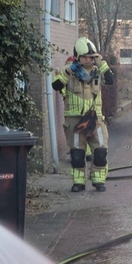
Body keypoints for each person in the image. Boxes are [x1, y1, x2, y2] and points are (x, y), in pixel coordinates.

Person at [52, 38, 115, 192]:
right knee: (77, 155)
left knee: (100, 151)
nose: (89, 59)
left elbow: (110, 79)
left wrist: (101, 63)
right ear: (78, 57)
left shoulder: (97, 71)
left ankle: (99, 181)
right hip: (74, 121)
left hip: (96, 119)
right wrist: (69, 72)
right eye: (86, 56)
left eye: (92, 56)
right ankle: (78, 183)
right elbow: (56, 85)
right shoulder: (68, 70)